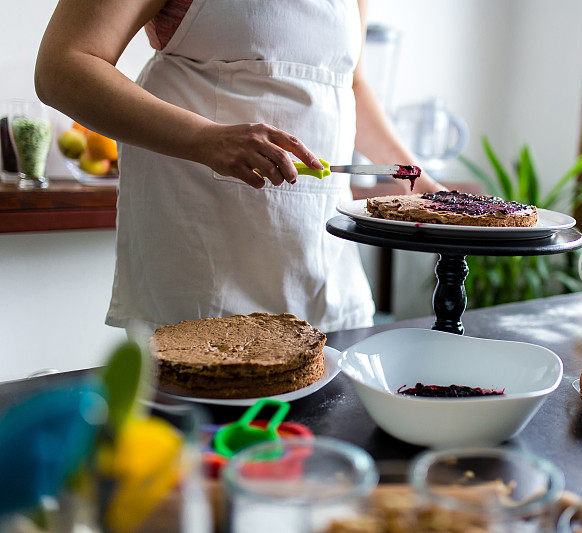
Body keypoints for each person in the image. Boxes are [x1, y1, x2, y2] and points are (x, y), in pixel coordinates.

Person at [35, 0, 443, 332]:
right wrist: (205, 139)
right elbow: (63, 65)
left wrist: (420, 182)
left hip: (325, 271)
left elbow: (347, 83)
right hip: (203, 267)